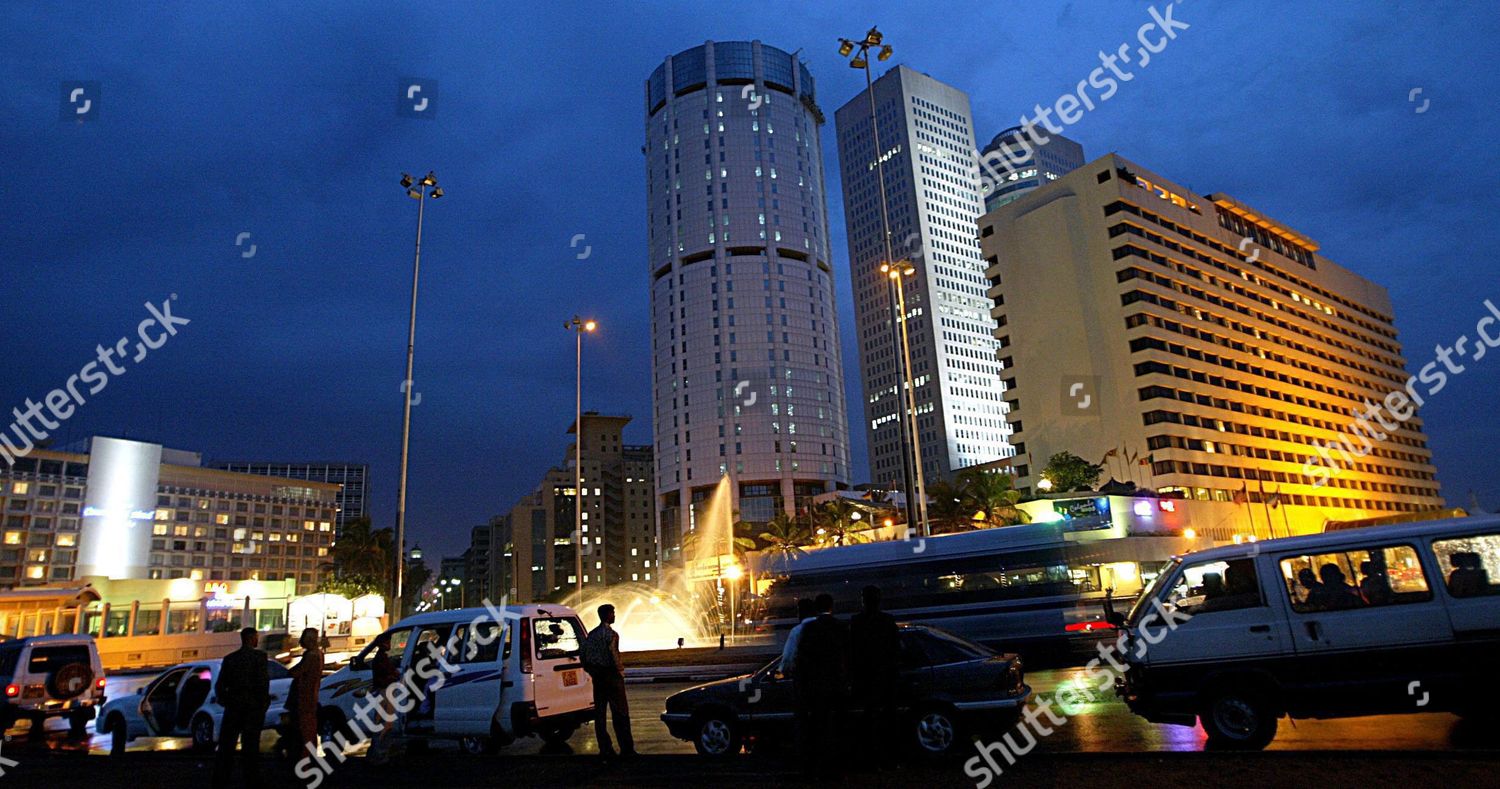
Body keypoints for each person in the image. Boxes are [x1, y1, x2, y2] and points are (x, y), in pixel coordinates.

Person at [793, 593, 849, 773]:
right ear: (832, 606)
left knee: (819, 727)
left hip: (817, 687)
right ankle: (838, 766)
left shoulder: (809, 629)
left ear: (816, 609)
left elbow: (802, 658)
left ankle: (819, 765)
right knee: (839, 727)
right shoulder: (842, 626)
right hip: (838, 685)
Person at [213, 627, 270, 789]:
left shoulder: (230, 659)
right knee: (250, 746)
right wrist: (263, 704)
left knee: (227, 746)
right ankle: (252, 779)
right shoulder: (259, 658)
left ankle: (221, 779)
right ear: (252, 639)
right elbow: (263, 683)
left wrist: (227, 701)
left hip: (234, 706)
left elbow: (220, 685)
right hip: (252, 707)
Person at [848, 586, 900, 764]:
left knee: (868, 719)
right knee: (889, 719)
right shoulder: (888, 621)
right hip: (886, 677)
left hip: (865, 677)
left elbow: (852, 651)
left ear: (863, 600)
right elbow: (895, 648)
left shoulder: (856, 622)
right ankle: (889, 757)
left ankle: (869, 757)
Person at [582, 604, 635, 760]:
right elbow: (614, 655)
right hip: (612, 676)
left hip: (598, 678)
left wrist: (591, 671)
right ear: (606, 615)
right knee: (621, 713)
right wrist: (620, 672)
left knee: (600, 715)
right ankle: (626, 749)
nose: (614, 616)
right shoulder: (611, 634)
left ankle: (605, 748)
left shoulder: (591, 635)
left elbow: (583, 656)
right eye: (612, 613)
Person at [365, 632, 400, 764]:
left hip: (383, 691)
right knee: (384, 724)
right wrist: (394, 675)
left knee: (381, 723)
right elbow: (388, 675)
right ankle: (379, 754)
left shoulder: (380, 658)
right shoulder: (381, 659)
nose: (389, 644)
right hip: (385, 691)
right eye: (388, 641)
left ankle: (377, 753)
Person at [287, 627, 323, 758]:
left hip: (304, 698)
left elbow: (296, 671)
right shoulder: (318, 654)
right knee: (310, 731)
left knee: (305, 732)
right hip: (311, 697)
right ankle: (309, 759)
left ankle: (305, 763)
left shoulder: (311, 656)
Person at [779, 598, 815, 677]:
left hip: (806, 676)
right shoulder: (825, 627)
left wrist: (781, 672)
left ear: (801, 612)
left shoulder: (797, 631)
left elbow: (788, 657)